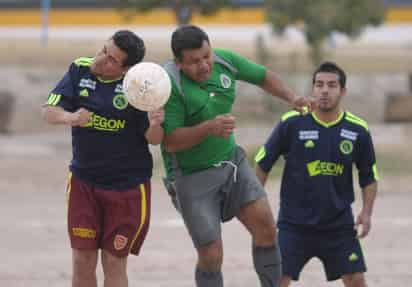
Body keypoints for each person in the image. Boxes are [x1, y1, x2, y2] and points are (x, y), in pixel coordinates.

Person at [161, 24, 312, 287]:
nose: (205, 65)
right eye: (195, 62)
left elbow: (263, 76)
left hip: (232, 163)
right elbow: (171, 142)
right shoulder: (170, 84)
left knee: (266, 227)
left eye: (206, 56)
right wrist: (209, 128)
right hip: (190, 176)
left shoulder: (224, 61)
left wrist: (292, 97)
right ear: (179, 63)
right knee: (211, 254)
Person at [42, 30, 164, 287]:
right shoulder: (80, 69)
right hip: (84, 183)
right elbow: (49, 111)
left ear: (126, 69)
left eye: (111, 60)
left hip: (127, 188)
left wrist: (155, 124)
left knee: (113, 261)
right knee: (82, 260)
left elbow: (154, 139)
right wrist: (71, 117)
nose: (100, 60)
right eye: (103, 50)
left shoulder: (139, 86)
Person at [255, 62, 379, 287]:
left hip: (339, 225)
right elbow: (262, 165)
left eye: (332, 85)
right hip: (293, 225)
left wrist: (367, 212)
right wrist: (257, 210)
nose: (324, 90)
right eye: (319, 84)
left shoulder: (358, 129)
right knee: (276, 280)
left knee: (356, 280)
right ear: (312, 89)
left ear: (343, 92)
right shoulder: (291, 123)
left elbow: (369, 175)